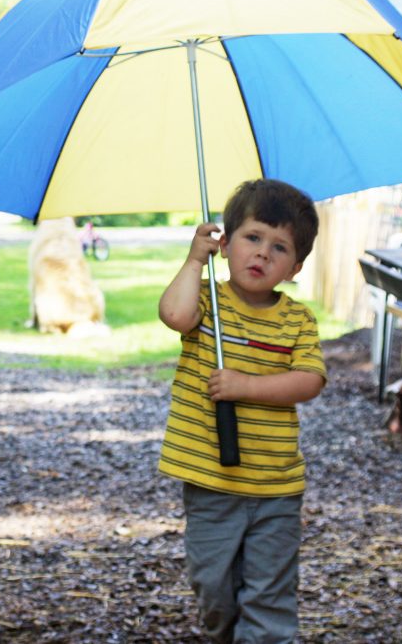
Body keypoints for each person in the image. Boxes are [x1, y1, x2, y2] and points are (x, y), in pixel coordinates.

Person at [157, 178, 327, 643]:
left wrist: (246, 386)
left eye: (280, 247)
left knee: (269, 592)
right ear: (226, 242)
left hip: (275, 486)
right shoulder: (207, 303)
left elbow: (309, 380)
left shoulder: (297, 320)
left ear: (295, 266)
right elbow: (174, 315)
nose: (262, 254)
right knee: (214, 587)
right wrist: (194, 260)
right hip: (212, 483)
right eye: (252, 238)